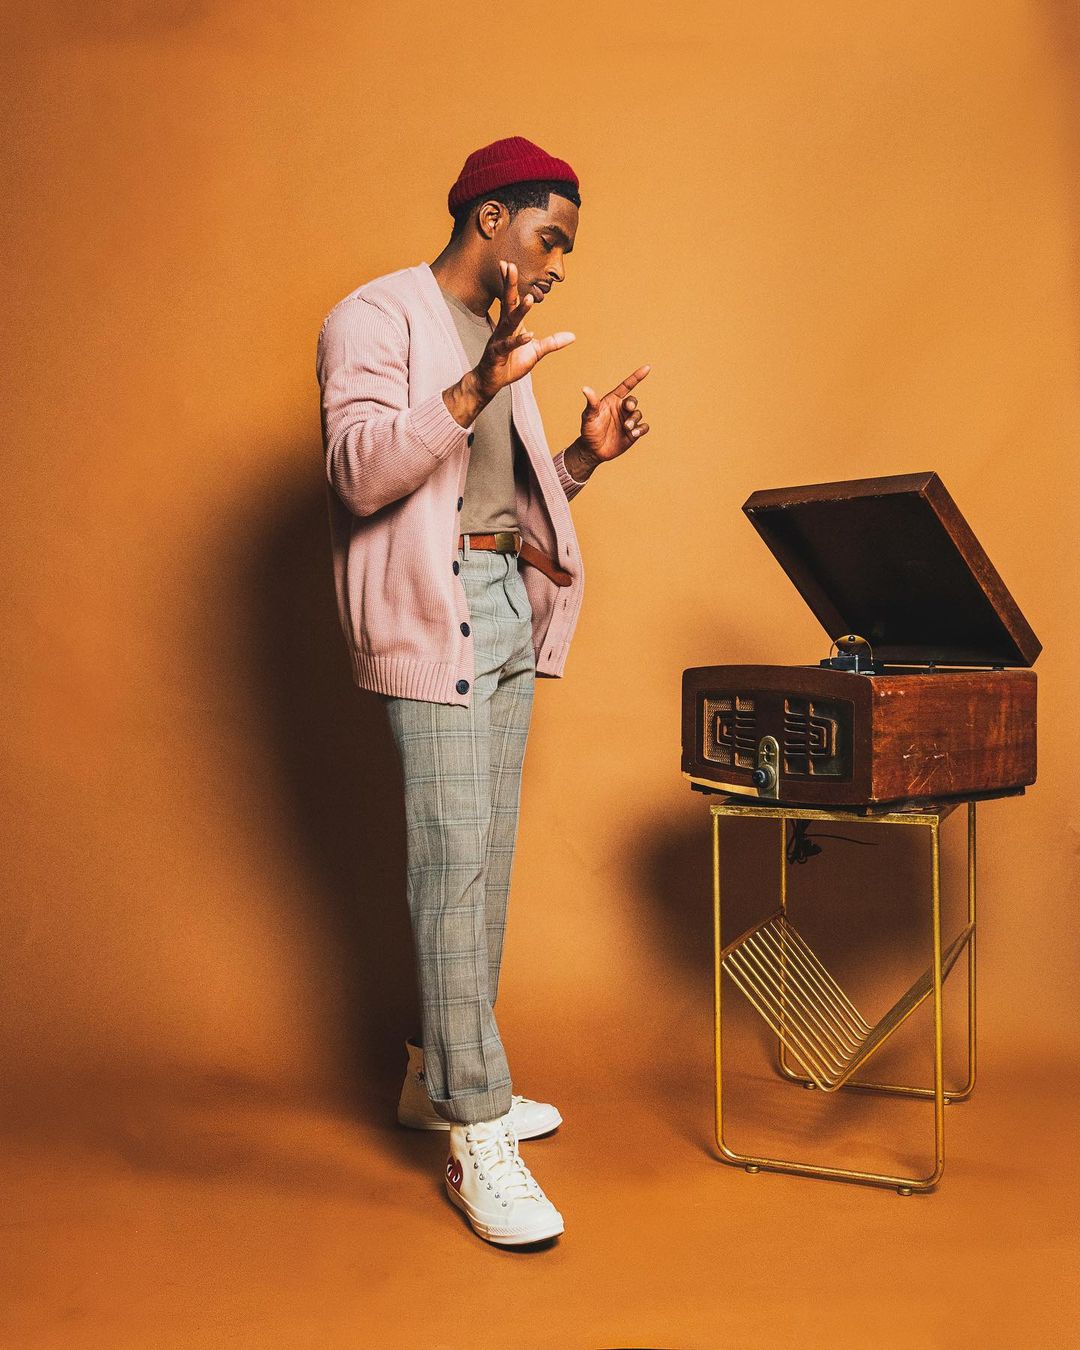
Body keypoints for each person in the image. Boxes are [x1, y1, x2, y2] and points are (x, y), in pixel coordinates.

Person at [315, 136, 651, 1246]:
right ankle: (474, 1127)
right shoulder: (376, 317)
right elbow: (362, 473)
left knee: (486, 854)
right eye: (550, 237)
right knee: (451, 862)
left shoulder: (501, 336)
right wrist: (474, 386)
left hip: (507, 597)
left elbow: (489, 499)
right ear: (491, 217)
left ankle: (436, 1075)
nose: (558, 263)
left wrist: (583, 460)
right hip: (435, 608)